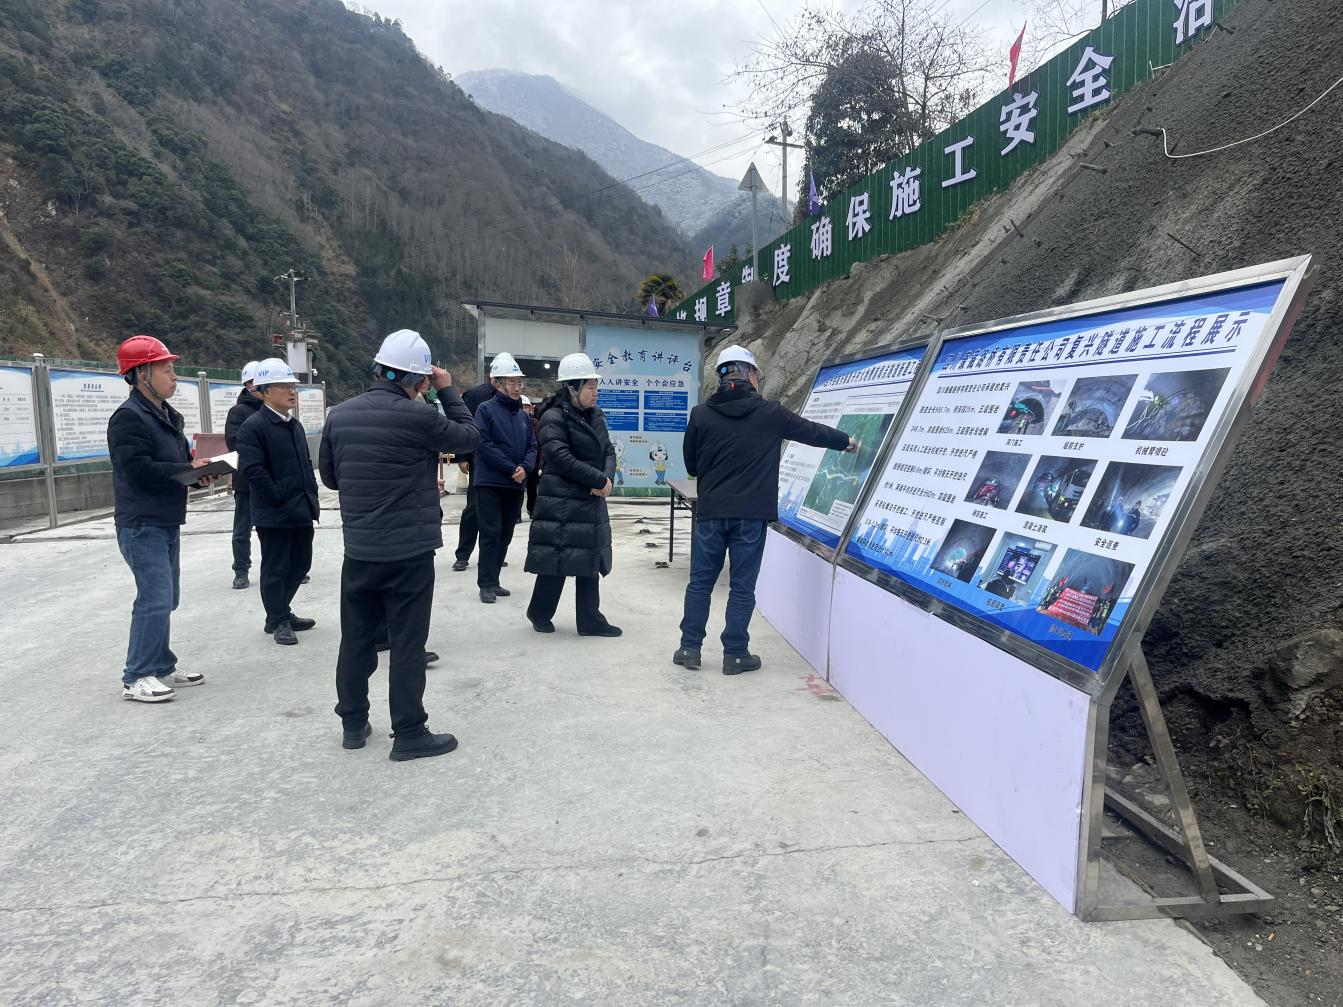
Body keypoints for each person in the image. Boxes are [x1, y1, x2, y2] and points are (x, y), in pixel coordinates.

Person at [319, 329, 480, 761]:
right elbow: (469, 437)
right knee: (407, 644)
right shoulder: (420, 417)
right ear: (421, 379)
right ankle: (409, 732)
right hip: (409, 553)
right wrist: (449, 392)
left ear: (378, 368)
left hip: (361, 550)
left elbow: (330, 478)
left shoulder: (340, 415)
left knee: (356, 639)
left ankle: (353, 723)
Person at [674, 345, 856, 675]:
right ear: (750, 375)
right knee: (742, 586)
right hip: (751, 515)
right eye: (757, 374)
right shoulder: (770, 413)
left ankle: (689, 648)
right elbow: (811, 431)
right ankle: (735, 654)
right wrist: (846, 441)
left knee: (700, 583)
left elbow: (691, 465)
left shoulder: (700, 415)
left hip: (711, 512)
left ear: (722, 376)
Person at [107, 335, 217, 703]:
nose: (174, 376)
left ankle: (161, 664)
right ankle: (136, 676)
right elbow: (137, 469)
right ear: (141, 374)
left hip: (166, 519)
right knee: (154, 598)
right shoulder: (128, 417)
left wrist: (198, 474)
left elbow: (177, 463)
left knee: (168, 598)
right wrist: (185, 469)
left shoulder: (167, 416)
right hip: (141, 523)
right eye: (166, 369)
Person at [524, 353, 621, 637]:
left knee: (589, 559)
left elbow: (608, 450)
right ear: (572, 388)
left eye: (596, 386)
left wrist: (607, 479)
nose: (595, 392)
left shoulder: (596, 415)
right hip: (562, 501)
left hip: (590, 497)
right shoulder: (553, 417)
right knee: (557, 559)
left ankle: (590, 621)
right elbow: (560, 457)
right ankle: (539, 612)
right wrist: (598, 479)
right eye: (590, 387)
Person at [236, 358, 320, 646]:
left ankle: (279, 612)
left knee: (301, 563)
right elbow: (253, 470)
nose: (292, 391)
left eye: (293, 386)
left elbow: (304, 464)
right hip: (275, 512)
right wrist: (277, 496)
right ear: (266, 391)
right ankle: (279, 620)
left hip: (301, 508)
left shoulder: (294, 425)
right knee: (276, 568)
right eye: (285, 386)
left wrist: (310, 495)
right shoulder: (253, 427)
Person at [472, 353, 536, 603]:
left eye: (519, 382)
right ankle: (486, 583)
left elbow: (532, 445)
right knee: (491, 533)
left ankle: (495, 580)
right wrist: (511, 468)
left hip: (515, 484)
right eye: (512, 382)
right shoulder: (485, 410)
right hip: (490, 483)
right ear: (497, 384)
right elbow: (484, 443)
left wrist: (525, 468)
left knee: (506, 533)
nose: (517, 387)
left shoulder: (523, 416)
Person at [450, 372, 498, 572]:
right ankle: (463, 554)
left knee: (497, 513)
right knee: (474, 508)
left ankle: (492, 554)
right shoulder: (476, 395)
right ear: (493, 378)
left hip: (504, 463)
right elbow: (462, 425)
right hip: (480, 459)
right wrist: (461, 456)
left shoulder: (512, 399)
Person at [224, 360, 262, 589]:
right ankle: (241, 570)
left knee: (275, 528)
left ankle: (283, 566)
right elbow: (235, 443)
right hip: (246, 481)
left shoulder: (274, 409)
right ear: (248, 385)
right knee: (242, 530)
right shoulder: (238, 412)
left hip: (272, 480)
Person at [521, 395, 541, 518]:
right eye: (521, 407)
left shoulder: (535, 423)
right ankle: (516, 514)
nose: (523, 409)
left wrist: (539, 463)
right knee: (518, 489)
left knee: (532, 489)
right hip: (519, 463)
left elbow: (539, 444)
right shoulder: (514, 421)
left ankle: (532, 509)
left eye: (526, 407)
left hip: (533, 463)